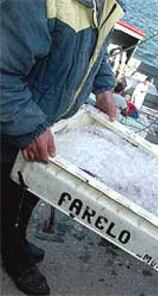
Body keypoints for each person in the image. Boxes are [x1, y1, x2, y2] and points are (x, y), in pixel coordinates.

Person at [0, 1, 124, 295]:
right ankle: (13, 255)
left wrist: (104, 87)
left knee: (30, 191)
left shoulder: (107, 3)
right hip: (13, 123)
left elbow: (96, 51)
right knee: (7, 194)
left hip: (48, 122)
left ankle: (15, 237)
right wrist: (29, 125)